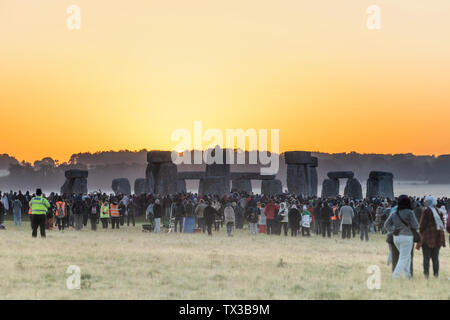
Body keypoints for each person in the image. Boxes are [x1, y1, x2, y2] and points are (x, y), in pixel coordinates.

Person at [384, 195, 419, 279]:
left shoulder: (394, 213)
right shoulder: (410, 212)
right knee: (404, 258)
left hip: (396, 237)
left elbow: (386, 224)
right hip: (407, 237)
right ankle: (395, 276)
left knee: (407, 257)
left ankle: (408, 276)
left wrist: (393, 230)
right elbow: (415, 225)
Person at [418, 196, 446, 278]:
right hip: (438, 237)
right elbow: (442, 225)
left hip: (428, 237)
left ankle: (426, 275)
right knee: (435, 258)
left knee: (426, 258)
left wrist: (420, 231)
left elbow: (422, 225)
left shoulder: (426, 211)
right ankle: (436, 275)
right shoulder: (439, 211)